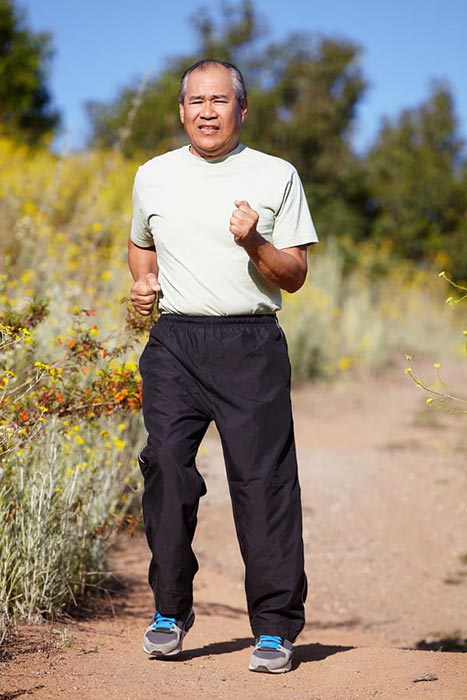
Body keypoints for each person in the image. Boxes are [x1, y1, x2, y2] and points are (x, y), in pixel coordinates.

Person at [128, 58, 318, 674]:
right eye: (194, 101)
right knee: (164, 467)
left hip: (251, 345)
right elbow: (140, 243)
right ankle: (169, 611)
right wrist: (143, 281)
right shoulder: (152, 176)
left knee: (263, 486)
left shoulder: (275, 175)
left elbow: (294, 275)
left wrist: (254, 242)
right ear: (180, 110)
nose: (206, 112)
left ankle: (273, 627)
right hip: (175, 343)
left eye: (218, 101)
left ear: (242, 109)